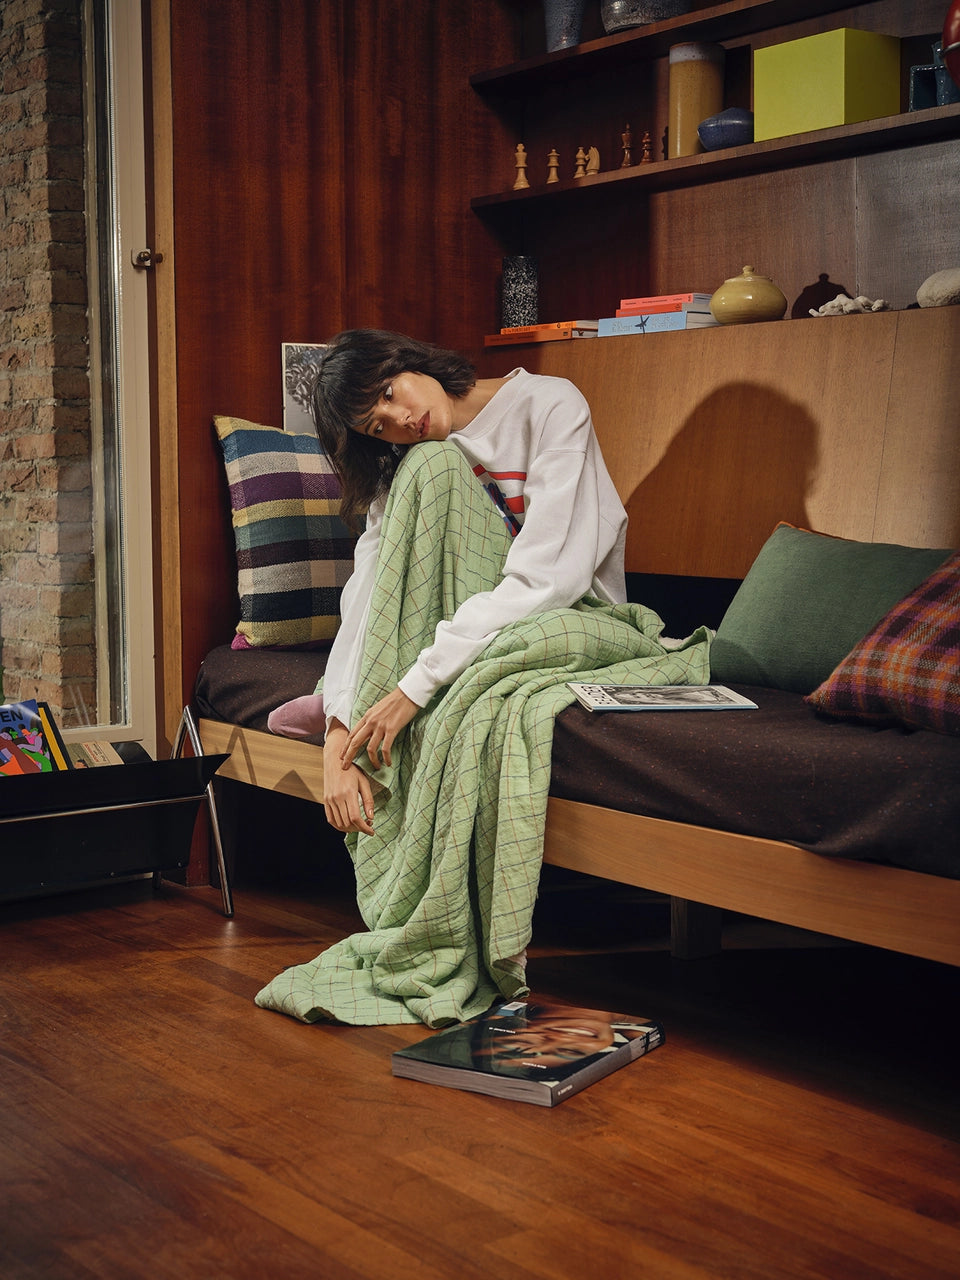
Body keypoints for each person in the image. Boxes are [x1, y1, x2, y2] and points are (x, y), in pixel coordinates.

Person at [267, 328, 628, 838]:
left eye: (389, 393)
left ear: (406, 359)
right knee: (425, 467)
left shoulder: (549, 404)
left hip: (567, 608)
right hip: (469, 616)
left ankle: (352, 691)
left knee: (433, 465)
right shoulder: (407, 461)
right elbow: (370, 587)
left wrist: (415, 688)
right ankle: (343, 700)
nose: (399, 420)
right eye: (377, 425)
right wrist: (338, 734)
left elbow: (549, 578)